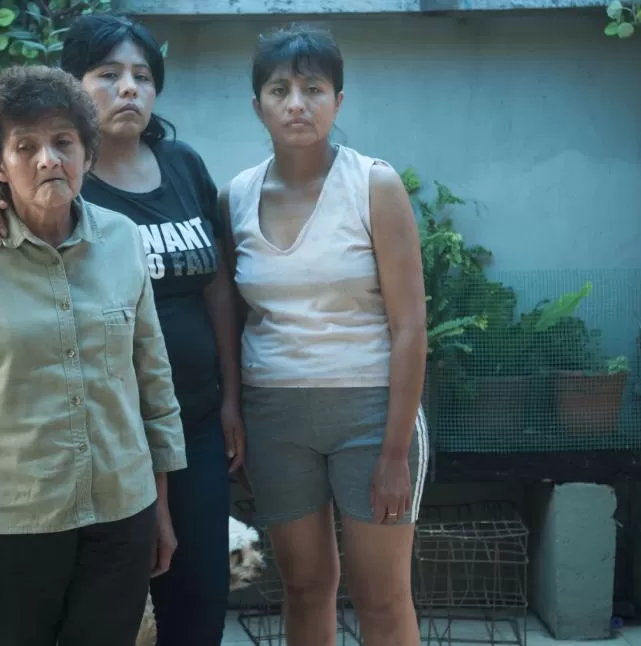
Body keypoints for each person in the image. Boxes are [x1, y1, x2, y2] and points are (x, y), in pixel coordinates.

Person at [0, 14, 245, 646]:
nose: (128, 88)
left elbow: (218, 284)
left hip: (191, 425)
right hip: (96, 444)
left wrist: (233, 398)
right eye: (108, 74)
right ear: (72, 84)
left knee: (198, 604)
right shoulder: (56, 183)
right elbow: (6, 183)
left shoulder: (183, 165)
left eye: (141, 75)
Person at [0, 64, 188, 646]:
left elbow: (153, 382)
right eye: (25, 146)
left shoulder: (124, 240)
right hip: (10, 524)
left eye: (63, 142)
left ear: (88, 154)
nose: (49, 159)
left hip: (120, 516)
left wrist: (159, 505)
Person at [219, 25, 429, 646]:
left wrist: (394, 453)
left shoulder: (374, 185)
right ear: (257, 104)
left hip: (371, 412)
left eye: (314, 88)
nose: (296, 103)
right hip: (275, 417)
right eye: (279, 89)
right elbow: (230, 314)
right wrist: (236, 407)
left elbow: (411, 325)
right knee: (305, 588)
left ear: (339, 100)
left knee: (382, 598)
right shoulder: (235, 196)